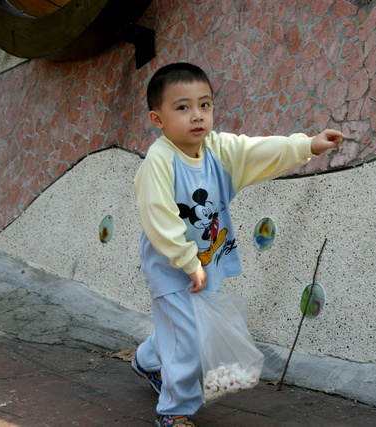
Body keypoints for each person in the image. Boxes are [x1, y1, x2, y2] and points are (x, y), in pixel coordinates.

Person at [132, 62, 346, 427]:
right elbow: (158, 216)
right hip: (171, 267)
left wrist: (307, 145)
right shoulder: (160, 161)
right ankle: (175, 410)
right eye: (182, 107)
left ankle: (148, 359)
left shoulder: (219, 149)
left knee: (182, 328)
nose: (197, 116)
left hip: (206, 261)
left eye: (205, 105)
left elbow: (257, 152)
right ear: (158, 119)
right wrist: (186, 261)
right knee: (188, 339)